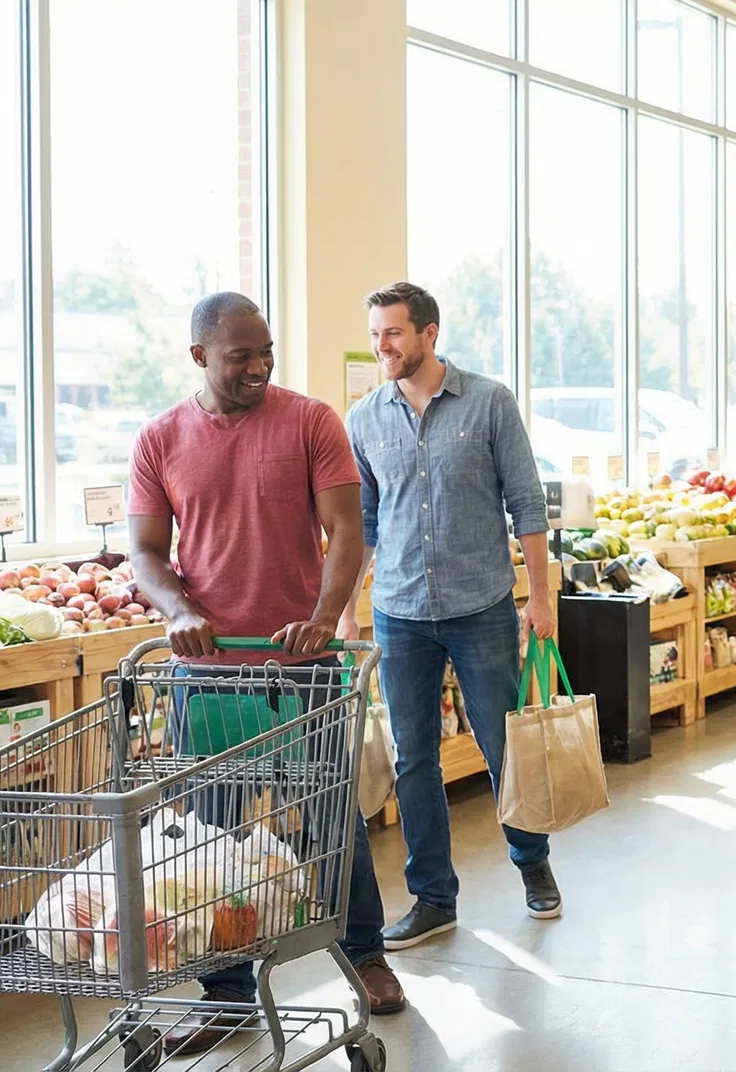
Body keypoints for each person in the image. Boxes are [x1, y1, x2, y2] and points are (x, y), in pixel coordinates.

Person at [127, 292, 405, 1056]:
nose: (257, 366)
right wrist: (177, 609)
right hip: (208, 673)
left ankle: (364, 953)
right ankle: (224, 991)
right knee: (209, 836)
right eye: (239, 355)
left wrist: (326, 614)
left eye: (265, 351)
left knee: (328, 820)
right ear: (199, 358)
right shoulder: (159, 439)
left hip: (303, 668)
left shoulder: (310, 421)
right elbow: (147, 552)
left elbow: (346, 529)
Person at [344, 281, 561, 948]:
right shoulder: (364, 418)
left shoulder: (489, 402)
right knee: (415, 760)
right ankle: (434, 897)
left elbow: (526, 503)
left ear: (429, 334)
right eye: (376, 333)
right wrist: (348, 607)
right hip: (400, 612)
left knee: (502, 749)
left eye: (394, 333)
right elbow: (367, 522)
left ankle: (533, 864)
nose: (382, 345)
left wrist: (542, 598)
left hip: (482, 606)